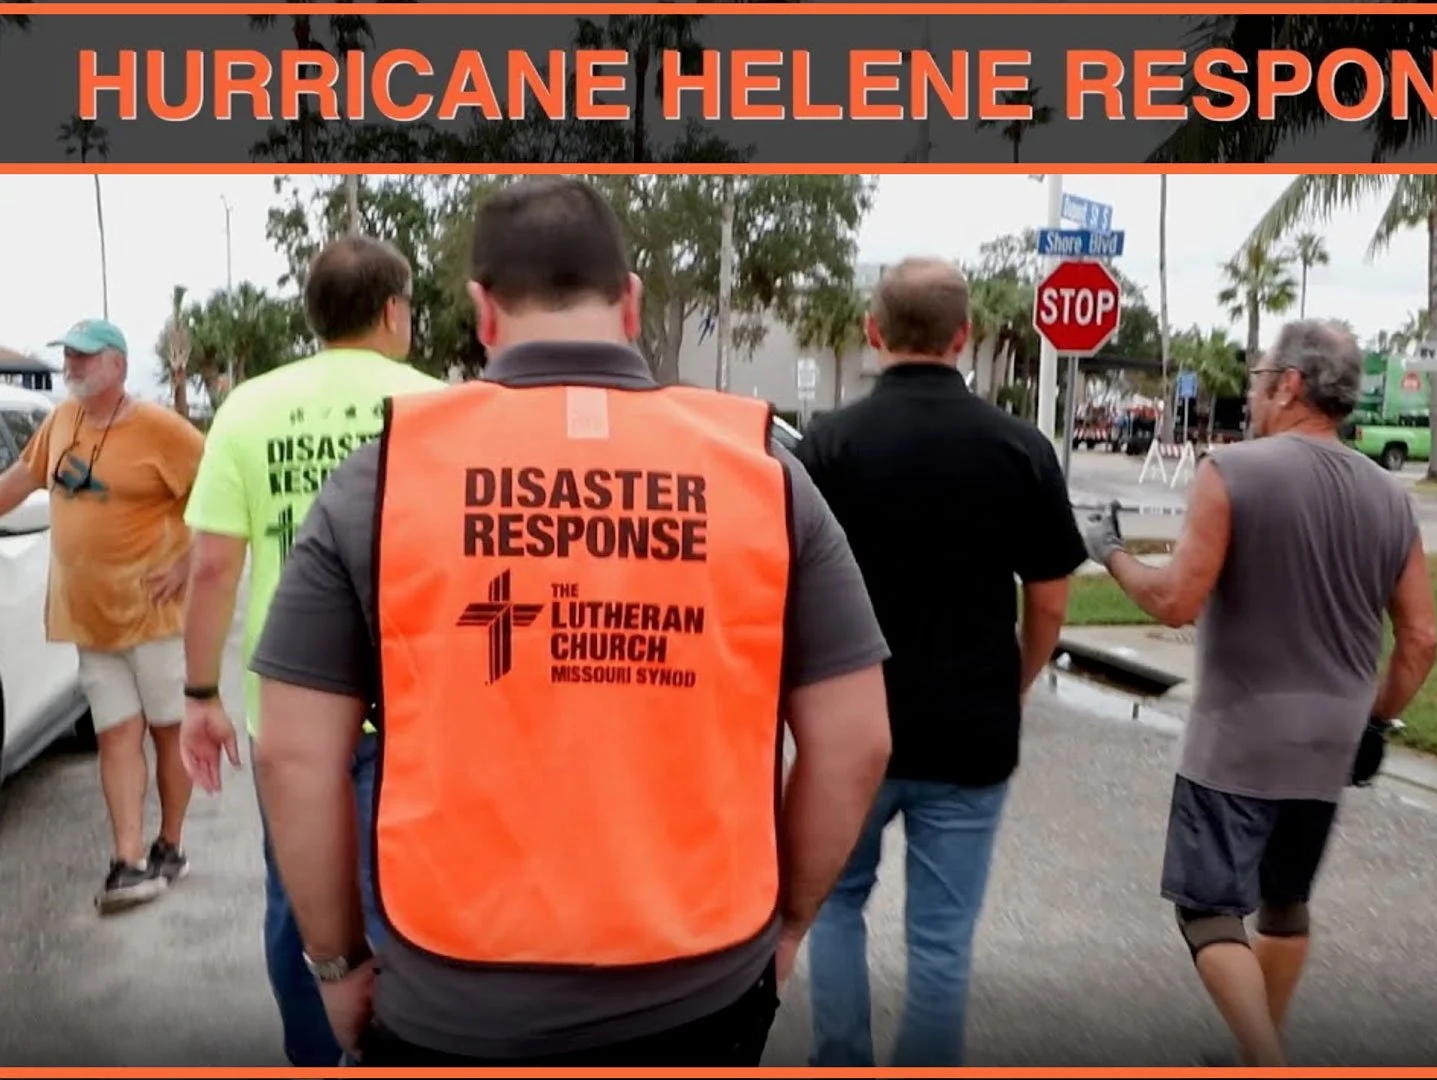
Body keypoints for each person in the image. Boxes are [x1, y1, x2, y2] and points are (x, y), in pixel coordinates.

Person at [248, 177, 895, 1066]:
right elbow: (857, 740)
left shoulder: (383, 479)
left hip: (450, 997)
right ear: (630, 302)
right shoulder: (763, 476)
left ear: (483, 311)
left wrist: (335, 962)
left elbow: (291, 754)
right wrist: (785, 927)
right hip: (700, 987)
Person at [1077, 320, 1437, 1067]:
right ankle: (1257, 1051)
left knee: (1208, 910)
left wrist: (1109, 551)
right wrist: (1378, 719)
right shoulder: (1389, 495)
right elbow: (1422, 639)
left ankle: (1266, 1061)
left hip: (1238, 738)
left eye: (1258, 376)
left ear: (1290, 385)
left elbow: (1176, 600)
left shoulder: (1232, 470)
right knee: (1285, 902)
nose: (1251, 392)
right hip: (1330, 742)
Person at [793, 257, 1087, 1067]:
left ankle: (839, 1060)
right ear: (965, 336)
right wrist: (1015, 683)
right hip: (970, 730)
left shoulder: (827, 446)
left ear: (872, 331)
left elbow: (786, 588)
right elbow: (1050, 599)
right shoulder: (1020, 448)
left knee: (835, 906)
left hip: (849, 731)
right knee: (942, 940)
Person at [177, 235, 443, 1066]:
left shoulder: (248, 409)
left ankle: (317, 1055)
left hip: (289, 705)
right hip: (417, 703)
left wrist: (199, 694)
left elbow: (213, 566)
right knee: (415, 898)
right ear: (394, 312)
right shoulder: (441, 408)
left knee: (300, 897)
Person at [0, 318, 203, 913]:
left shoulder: (163, 430)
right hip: (90, 619)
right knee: (116, 733)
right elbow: (20, 479)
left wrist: (188, 562)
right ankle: (128, 861)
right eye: (69, 356)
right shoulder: (60, 421)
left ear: (118, 365)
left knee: (167, 730)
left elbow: (222, 494)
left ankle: (171, 844)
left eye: (85, 357)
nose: (72, 366)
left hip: (153, 616)